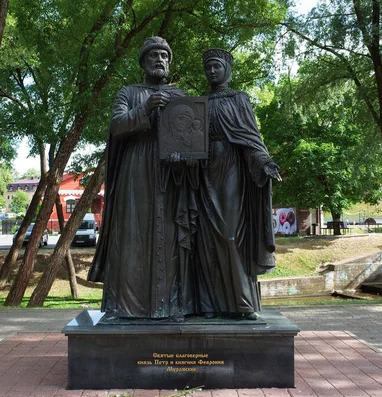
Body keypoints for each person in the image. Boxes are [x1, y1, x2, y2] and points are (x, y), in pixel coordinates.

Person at [87, 37, 197, 320]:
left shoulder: (181, 96)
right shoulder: (129, 92)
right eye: (153, 55)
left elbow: (193, 137)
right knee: (131, 237)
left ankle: (172, 305)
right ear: (143, 62)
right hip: (136, 169)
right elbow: (116, 125)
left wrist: (185, 156)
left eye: (164, 55)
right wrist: (146, 107)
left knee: (171, 236)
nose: (160, 59)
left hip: (170, 174)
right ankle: (125, 307)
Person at [195, 48, 280, 320]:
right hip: (202, 173)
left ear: (227, 69)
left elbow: (250, 138)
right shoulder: (197, 103)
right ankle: (208, 304)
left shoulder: (238, 99)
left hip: (231, 171)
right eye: (208, 67)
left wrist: (264, 161)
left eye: (216, 66)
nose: (211, 71)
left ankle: (242, 303)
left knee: (230, 235)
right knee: (205, 239)